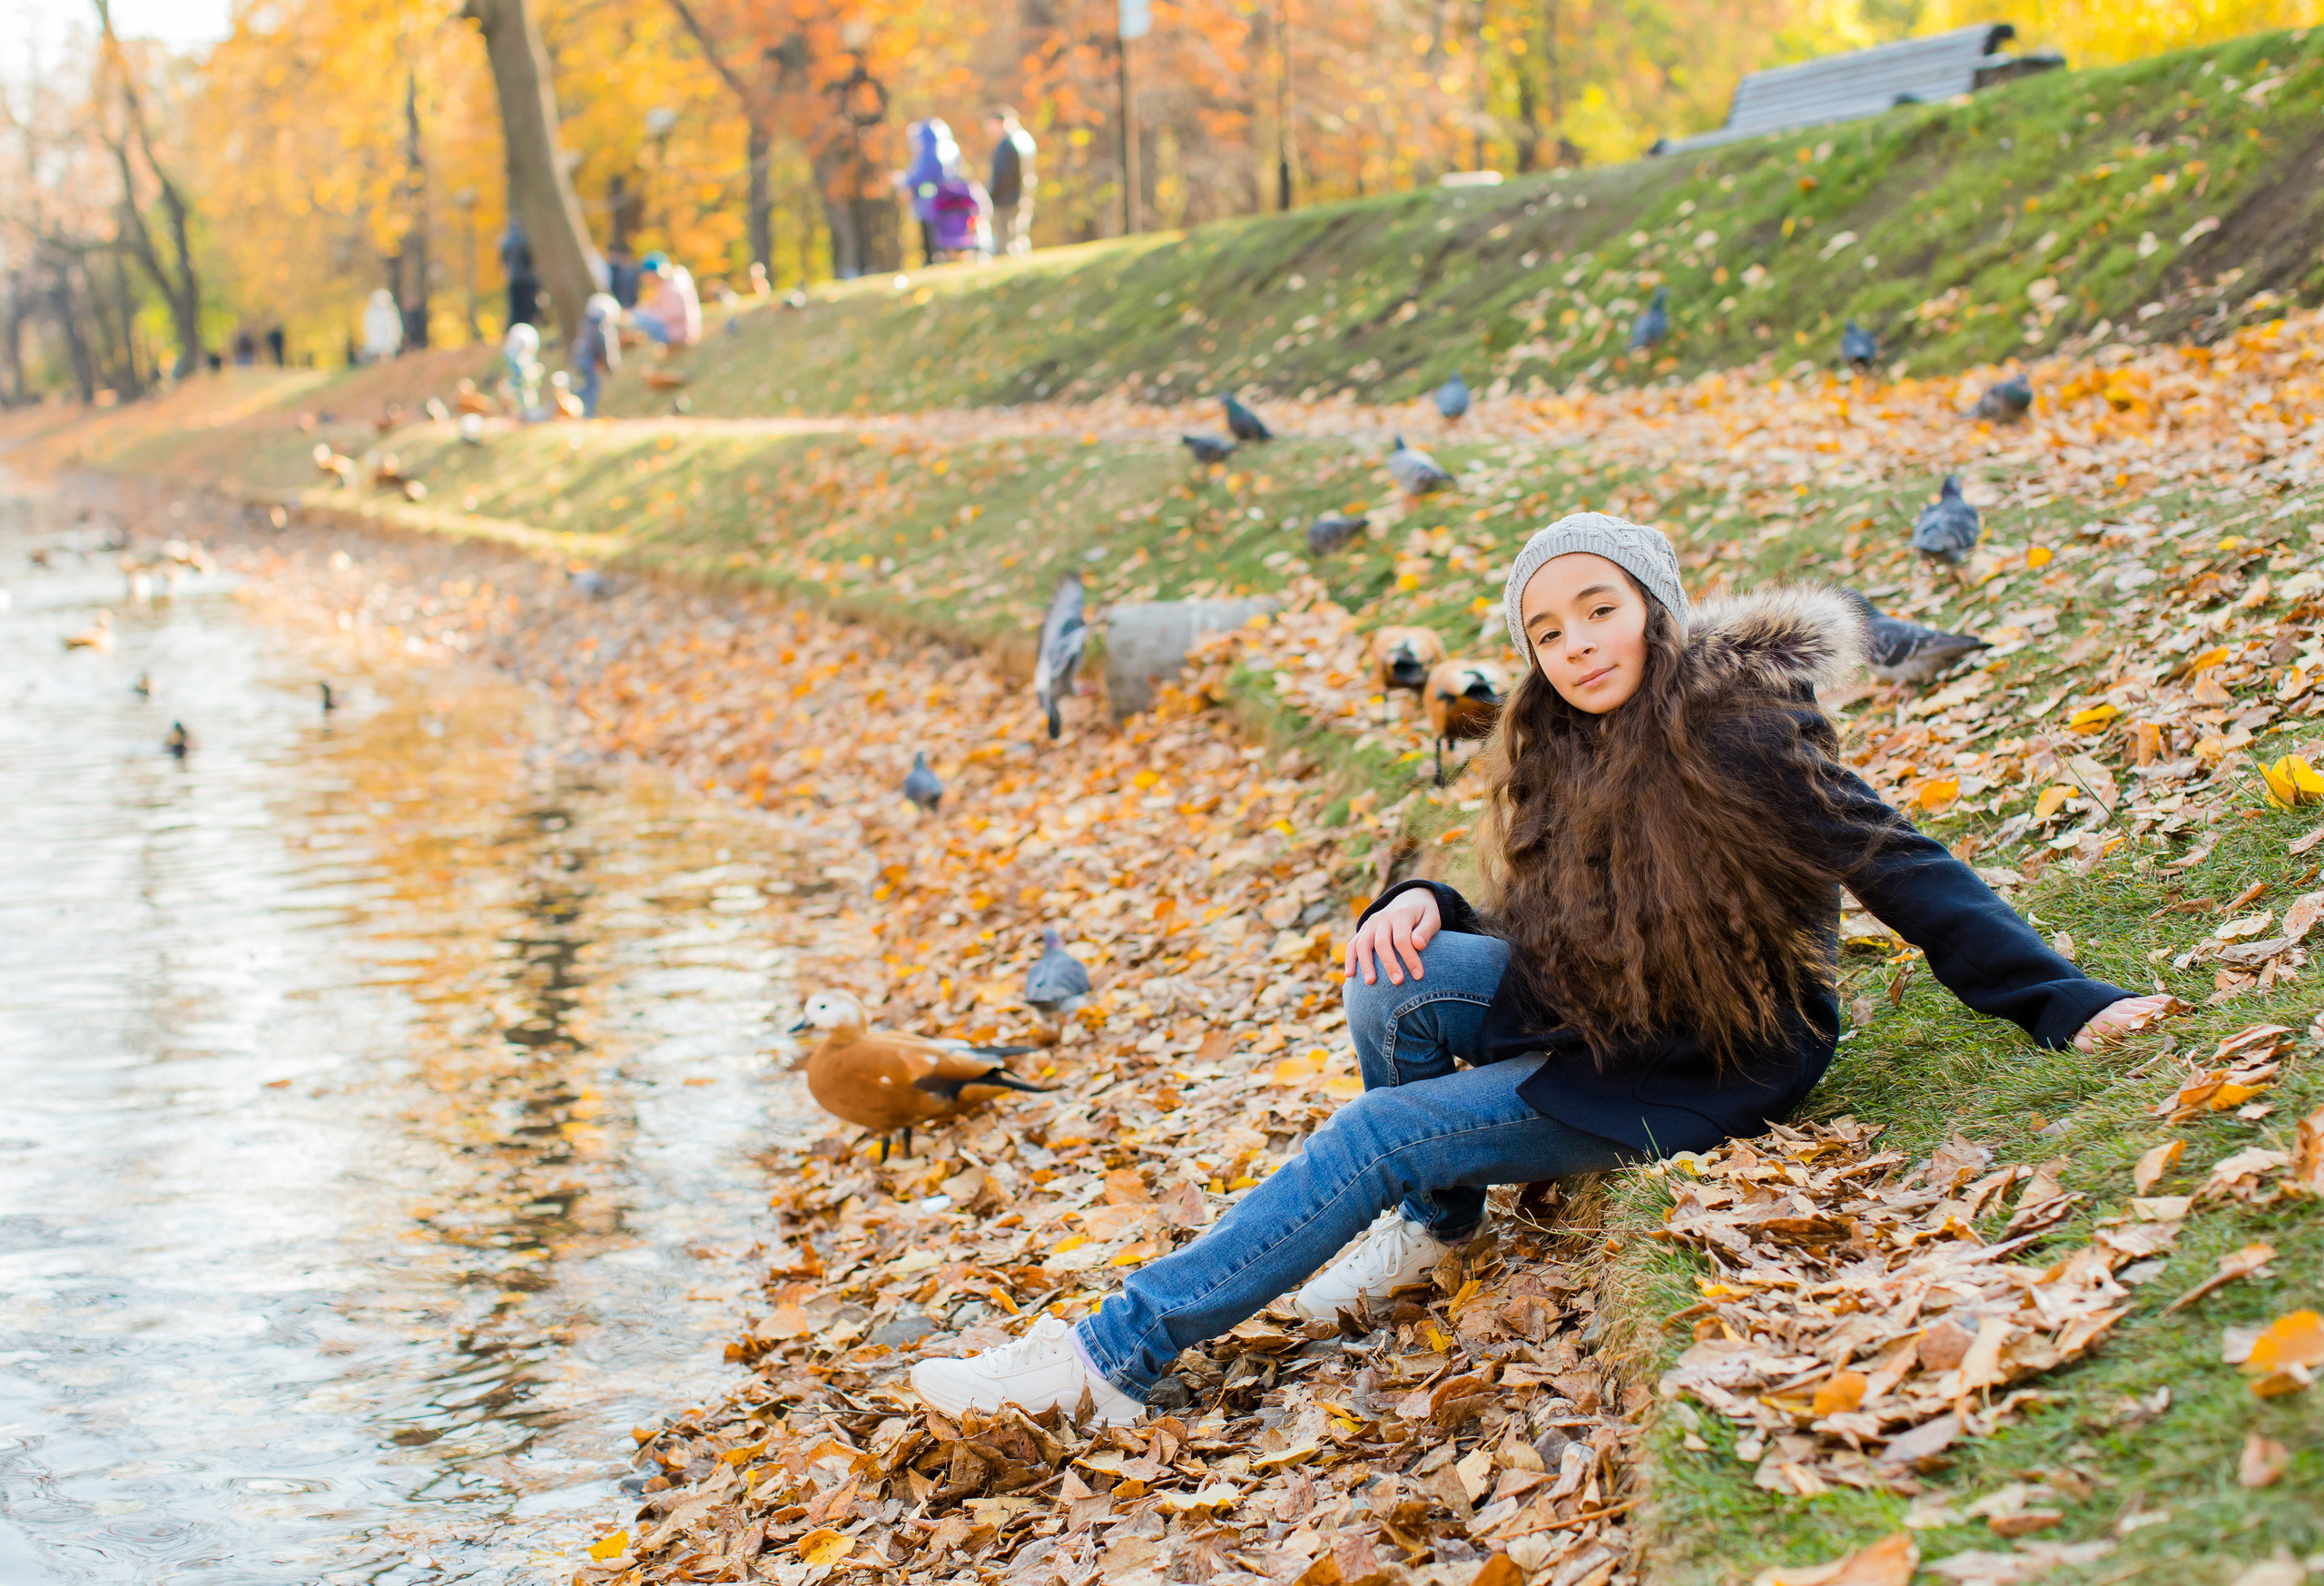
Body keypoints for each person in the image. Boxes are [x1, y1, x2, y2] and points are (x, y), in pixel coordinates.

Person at [910, 513, 2174, 1426]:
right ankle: (1442, 1231)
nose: (1575, 645)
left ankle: (1108, 1357)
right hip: (1604, 1005)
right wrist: (1418, 899)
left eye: (1600, 611)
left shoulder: (1741, 728)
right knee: (1389, 971)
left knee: (1375, 1133)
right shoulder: (1564, 735)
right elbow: (1526, 912)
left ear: (1656, 604)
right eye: (1548, 628)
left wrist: (2068, 1002)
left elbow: (1904, 867)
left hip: (1711, 1055)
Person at [898, 118, 960, 267]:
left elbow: (920, 176)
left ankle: (932, 261)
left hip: (931, 203)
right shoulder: (950, 148)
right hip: (949, 200)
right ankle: (942, 258)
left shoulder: (929, 152)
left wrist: (904, 181)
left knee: (931, 236)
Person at [986, 107, 1036, 258]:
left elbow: (1003, 174)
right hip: (1024, 194)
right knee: (1021, 236)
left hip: (1007, 198)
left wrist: (991, 195)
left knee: (1007, 241)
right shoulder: (1024, 139)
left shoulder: (1007, 143)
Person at [633, 251, 701, 348]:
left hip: (679, 333)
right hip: (688, 329)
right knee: (640, 315)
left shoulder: (670, 287)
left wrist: (649, 312)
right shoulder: (676, 277)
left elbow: (672, 313)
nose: (644, 278)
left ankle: (664, 347)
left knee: (639, 318)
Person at [572, 292, 621, 418]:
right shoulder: (601, 325)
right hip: (588, 360)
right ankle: (586, 413)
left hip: (580, 357)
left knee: (586, 385)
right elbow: (605, 345)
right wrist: (612, 365)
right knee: (592, 387)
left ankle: (577, 407)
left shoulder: (587, 322)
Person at [500, 217, 539, 329]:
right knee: (527, 307)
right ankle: (526, 328)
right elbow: (529, 261)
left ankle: (514, 329)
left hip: (513, 279)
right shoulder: (524, 241)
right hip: (526, 279)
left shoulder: (506, 243)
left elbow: (504, 262)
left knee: (516, 308)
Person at [502, 321, 544, 419]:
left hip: (523, 386)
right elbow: (525, 378)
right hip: (521, 387)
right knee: (524, 393)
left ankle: (525, 412)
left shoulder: (523, 358)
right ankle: (524, 412)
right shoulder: (519, 358)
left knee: (526, 393)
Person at [359, 289, 403, 363]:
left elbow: (393, 326)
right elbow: (368, 325)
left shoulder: (390, 310)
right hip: (376, 338)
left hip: (387, 338)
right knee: (377, 354)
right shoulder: (371, 311)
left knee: (387, 355)